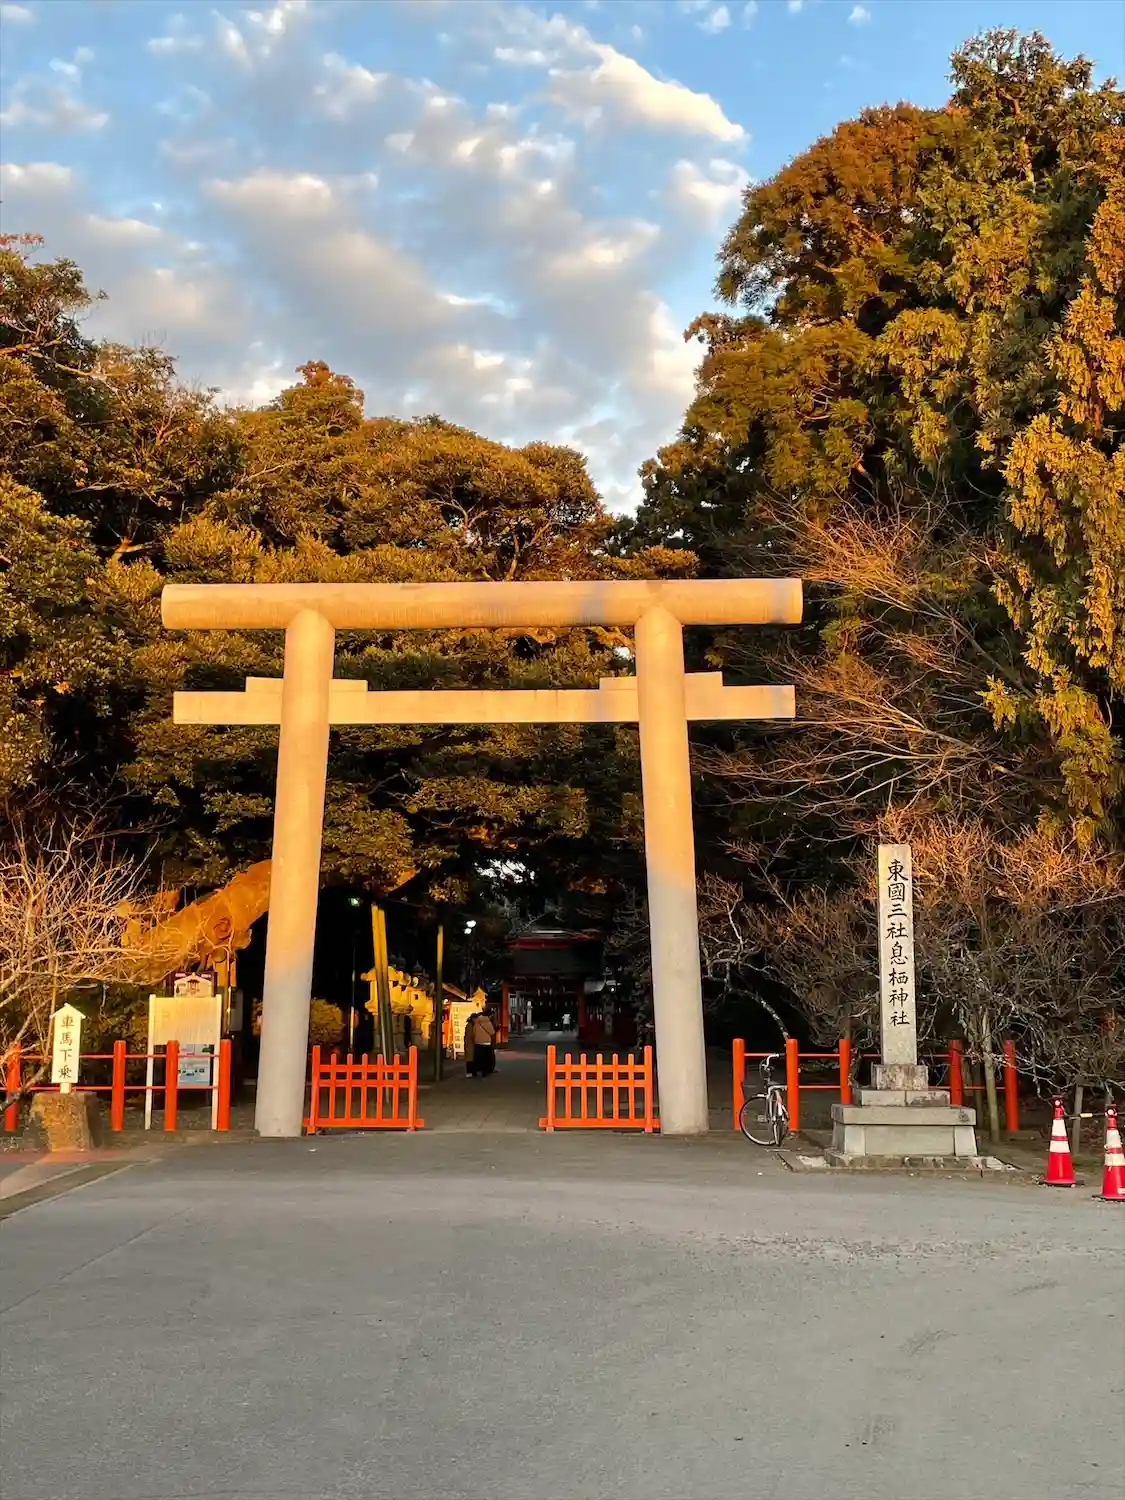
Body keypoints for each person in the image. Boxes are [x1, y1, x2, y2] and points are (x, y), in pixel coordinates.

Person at [471, 1008, 497, 1077]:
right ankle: (484, 1072)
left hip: (477, 1042)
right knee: (486, 1058)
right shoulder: (487, 1022)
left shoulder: (476, 1021)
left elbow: (474, 1032)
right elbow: (492, 1032)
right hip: (486, 1043)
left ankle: (475, 1072)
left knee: (477, 1058)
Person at [463, 1013, 477, 1077]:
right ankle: (470, 1072)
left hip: (471, 1043)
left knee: (472, 1058)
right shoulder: (470, 1025)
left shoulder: (471, 1025)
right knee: (470, 1059)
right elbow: (469, 1035)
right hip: (470, 1043)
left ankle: (472, 1072)